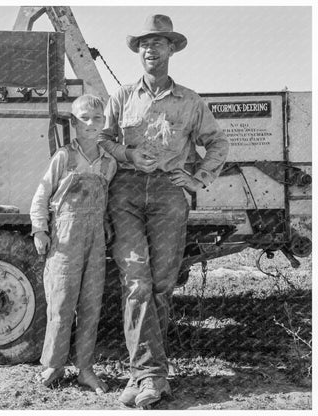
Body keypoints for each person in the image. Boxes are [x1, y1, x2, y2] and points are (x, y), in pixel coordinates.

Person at [99, 14, 229, 407]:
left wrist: (199, 178)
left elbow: (218, 143)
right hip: (126, 193)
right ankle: (149, 375)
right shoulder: (122, 96)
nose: (150, 49)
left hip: (170, 195)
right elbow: (103, 139)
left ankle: (145, 374)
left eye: (158, 42)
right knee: (135, 282)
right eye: (143, 43)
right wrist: (128, 153)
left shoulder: (191, 101)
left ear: (172, 49)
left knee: (160, 285)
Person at [30, 94, 117, 394]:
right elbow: (41, 196)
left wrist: (105, 228)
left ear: (104, 122)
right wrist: (39, 229)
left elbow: (106, 203)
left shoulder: (109, 164)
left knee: (91, 304)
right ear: (74, 123)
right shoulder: (64, 157)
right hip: (65, 238)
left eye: (96, 118)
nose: (90, 124)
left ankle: (85, 369)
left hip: (95, 240)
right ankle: (53, 366)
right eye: (83, 118)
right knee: (61, 301)